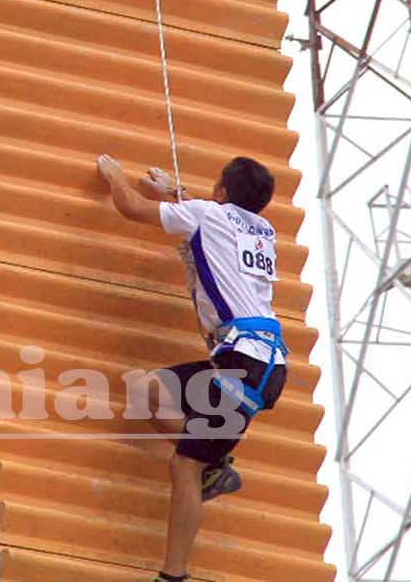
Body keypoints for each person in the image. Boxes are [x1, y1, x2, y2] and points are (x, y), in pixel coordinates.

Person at [96, 153, 287, 582]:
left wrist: (115, 176)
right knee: (149, 390)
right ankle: (213, 463)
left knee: (184, 466)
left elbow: (130, 208)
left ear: (221, 192)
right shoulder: (263, 231)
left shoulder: (207, 214)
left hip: (245, 364)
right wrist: (176, 193)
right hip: (255, 360)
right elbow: (214, 224)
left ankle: (173, 575)